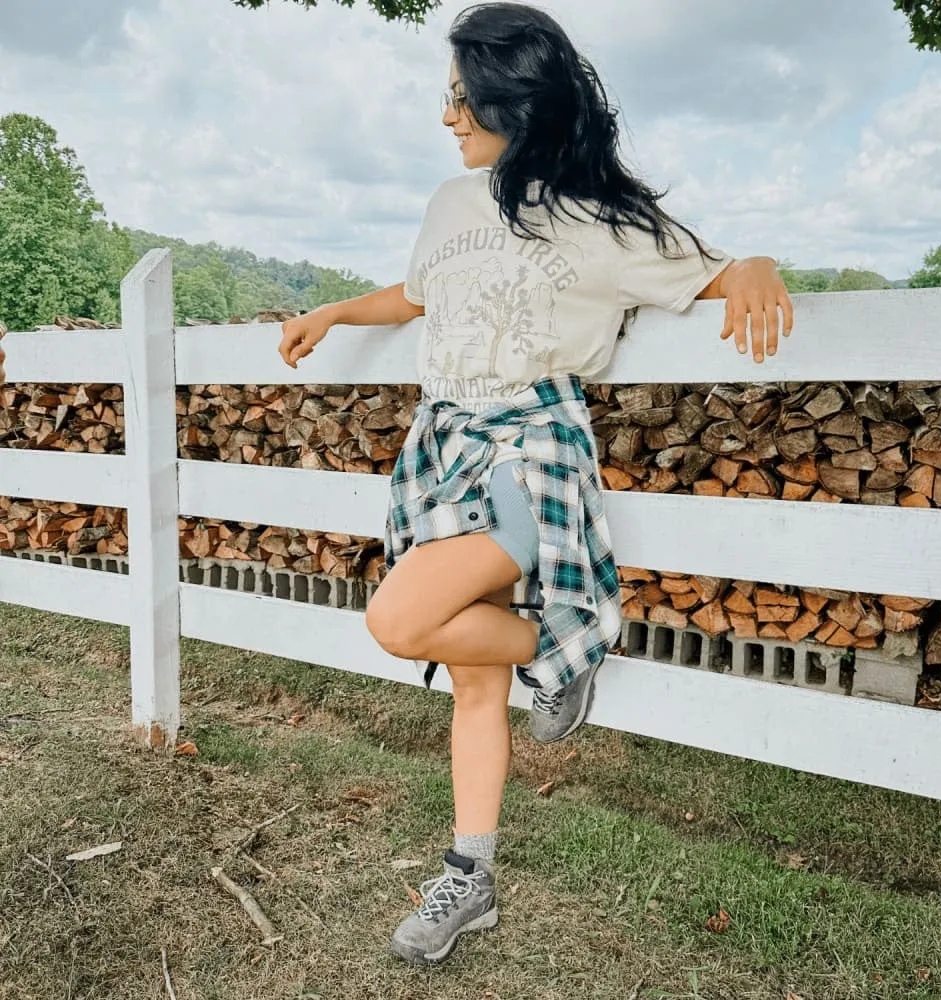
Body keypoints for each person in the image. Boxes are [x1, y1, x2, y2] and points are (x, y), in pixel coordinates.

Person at [278, 1, 793, 966]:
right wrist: (337, 310)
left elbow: (715, 271)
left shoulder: (600, 217)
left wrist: (758, 265)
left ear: (520, 96)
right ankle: (470, 875)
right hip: (443, 447)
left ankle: (570, 638)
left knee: (396, 621)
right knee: (474, 684)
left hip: (528, 448)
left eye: (464, 98)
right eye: (448, 97)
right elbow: (420, 295)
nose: (448, 117)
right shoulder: (449, 202)